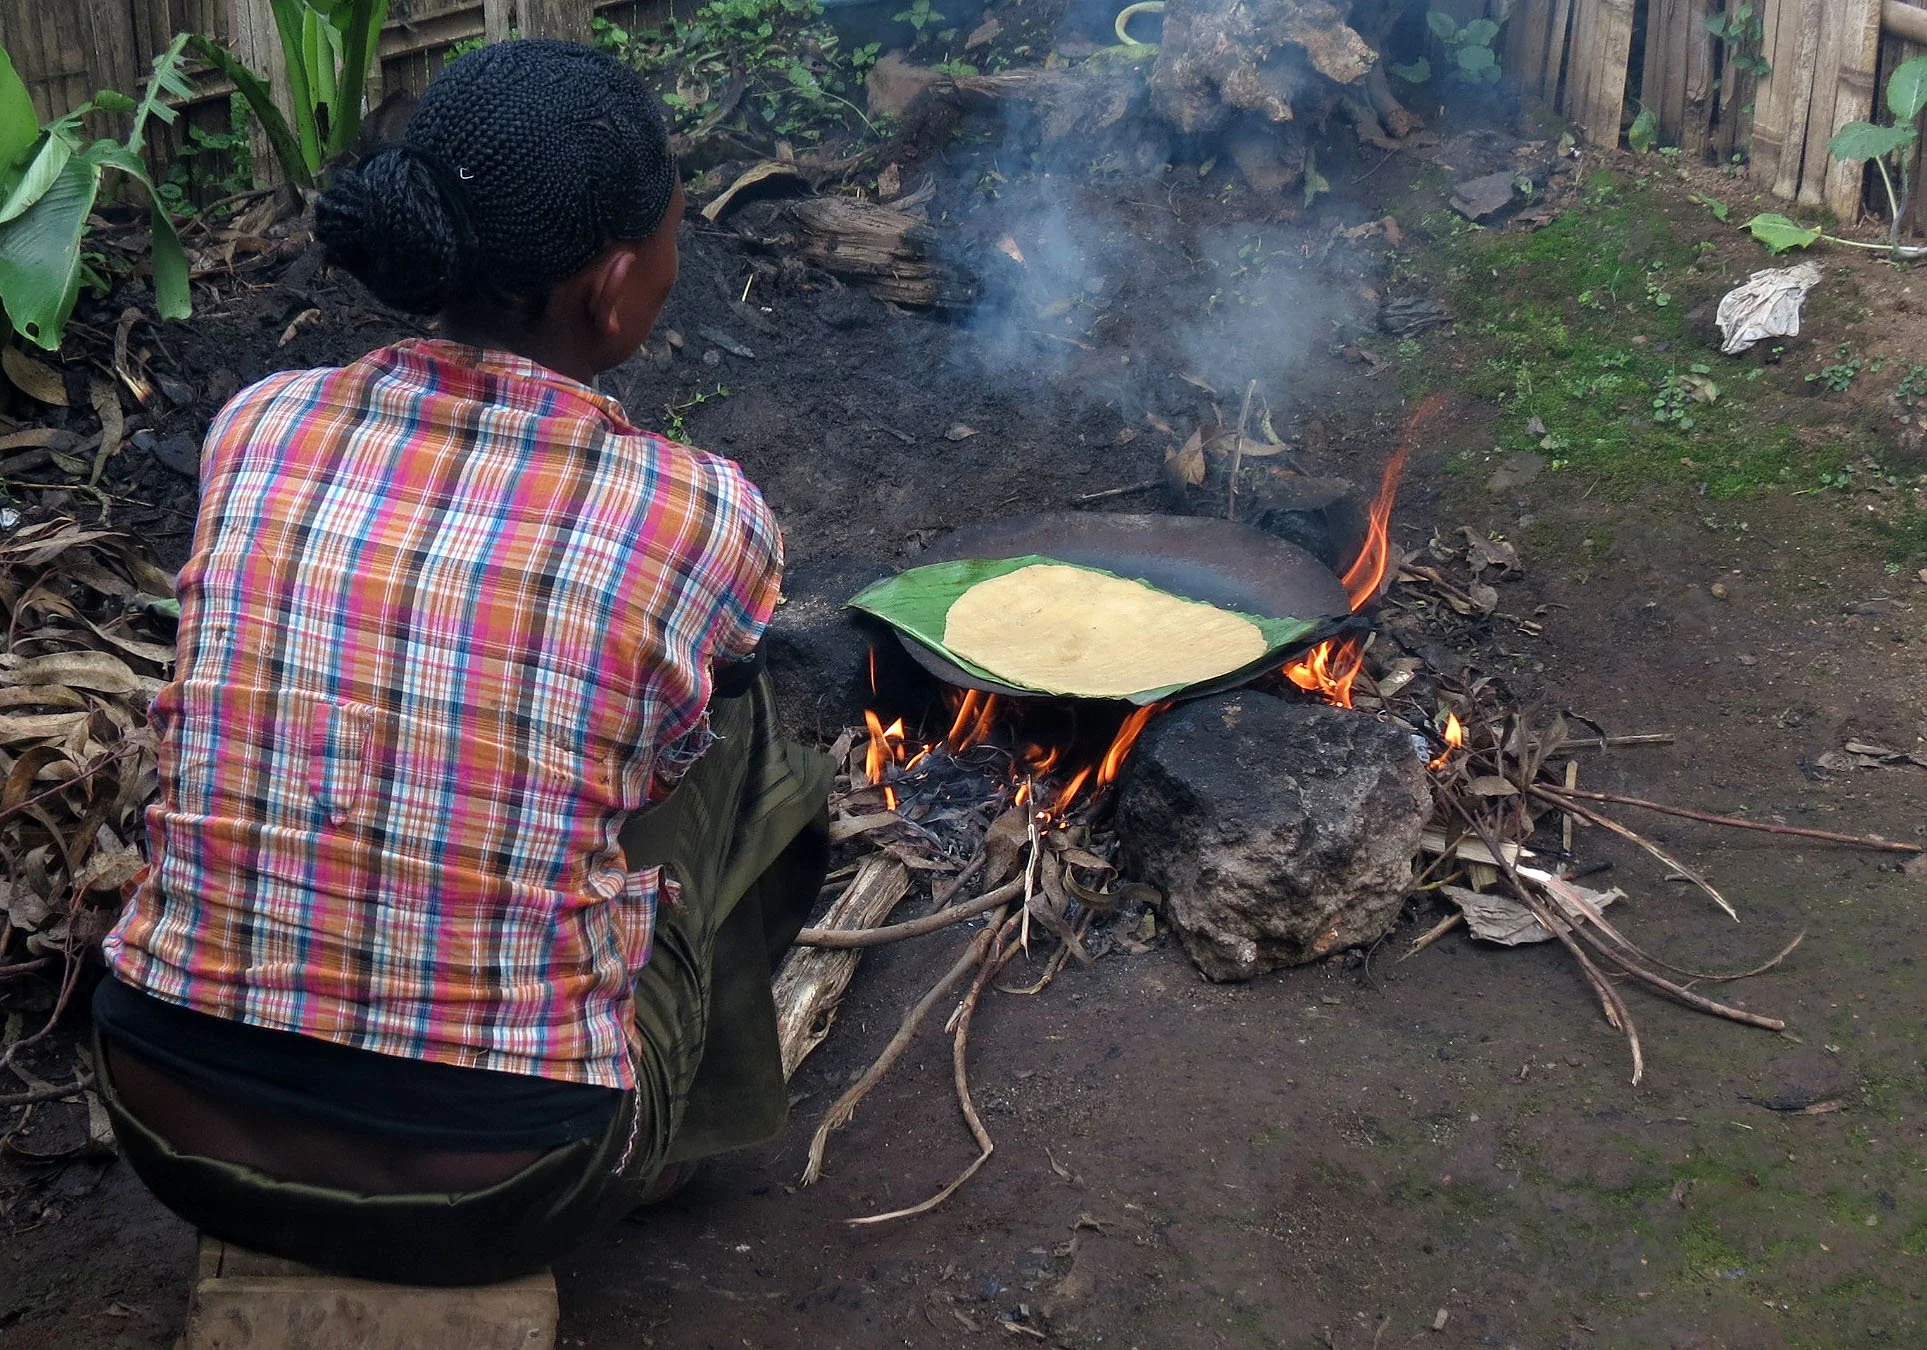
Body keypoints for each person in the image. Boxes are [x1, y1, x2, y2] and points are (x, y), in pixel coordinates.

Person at [91, 39, 831, 1286]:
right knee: (743, 735)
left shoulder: (257, 427)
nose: (673, 264)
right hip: (505, 1188)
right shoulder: (697, 514)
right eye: (669, 240)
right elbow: (650, 763)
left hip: (167, 1122)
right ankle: (673, 1142)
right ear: (610, 288)